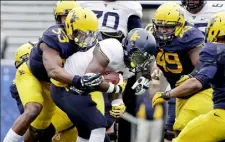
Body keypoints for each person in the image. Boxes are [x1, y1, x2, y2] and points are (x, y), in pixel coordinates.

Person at [3, 6, 98, 142]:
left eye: (90, 34)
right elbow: (53, 70)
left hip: (54, 84)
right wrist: (78, 80)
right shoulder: (55, 35)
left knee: (40, 129)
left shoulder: (91, 44)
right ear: (70, 27)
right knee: (33, 109)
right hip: (33, 75)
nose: (86, 39)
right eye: (81, 33)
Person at [50, 28, 156, 142]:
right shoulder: (112, 48)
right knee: (99, 125)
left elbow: (115, 87)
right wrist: (114, 87)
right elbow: (90, 78)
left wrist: (117, 102)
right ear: (130, 48)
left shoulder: (129, 68)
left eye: (142, 60)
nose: (138, 63)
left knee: (85, 132)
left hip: (82, 91)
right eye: (138, 57)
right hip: (65, 86)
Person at [152, 12, 225, 142]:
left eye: (168, 27)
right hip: (186, 94)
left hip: (221, 114)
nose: (163, 30)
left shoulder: (214, 49)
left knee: (181, 136)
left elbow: (197, 83)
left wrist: (166, 94)